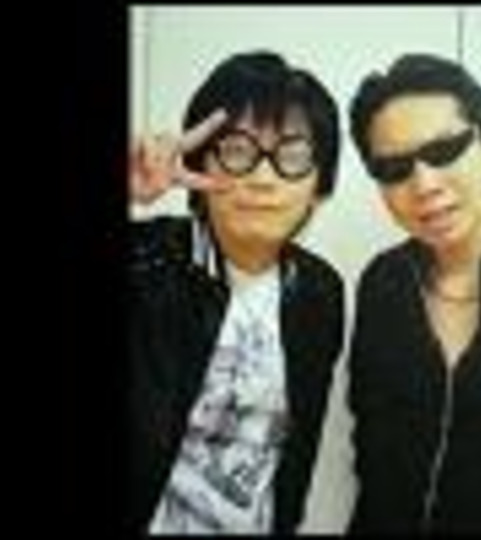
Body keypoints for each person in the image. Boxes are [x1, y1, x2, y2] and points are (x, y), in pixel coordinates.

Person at [127, 50, 344, 534]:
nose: (263, 178)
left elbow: (296, 448)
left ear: (320, 185)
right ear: (199, 164)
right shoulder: (142, 262)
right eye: (238, 150)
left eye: (292, 155)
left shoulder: (319, 291)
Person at [345, 53, 481, 534]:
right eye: (394, 167)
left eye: (445, 150)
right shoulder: (383, 282)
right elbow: (369, 443)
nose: (424, 184)